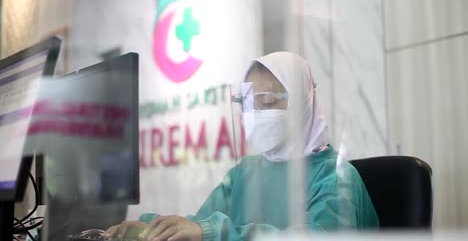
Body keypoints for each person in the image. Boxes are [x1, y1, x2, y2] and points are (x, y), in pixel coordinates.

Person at [104, 52, 379, 241]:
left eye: (268, 103)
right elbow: (199, 224)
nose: (256, 114)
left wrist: (211, 232)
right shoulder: (244, 173)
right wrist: (153, 228)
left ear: (304, 103)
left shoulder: (336, 176)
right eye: (248, 104)